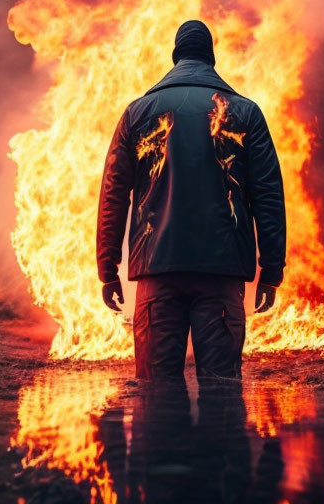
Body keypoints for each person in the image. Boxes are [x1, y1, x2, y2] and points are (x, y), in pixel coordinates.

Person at [97, 19, 286, 380]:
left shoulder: (137, 113)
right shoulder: (246, 113)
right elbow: (268, 197)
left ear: (175, 55)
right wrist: (271, 270)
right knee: (221, 390)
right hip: (222, 273)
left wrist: (108, 270)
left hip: (157, 271)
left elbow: (114, 195)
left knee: (155, 389)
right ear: (211, 58)